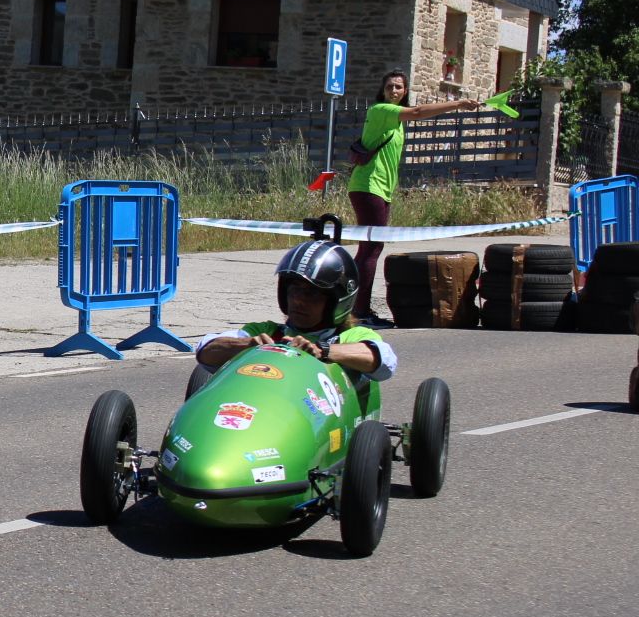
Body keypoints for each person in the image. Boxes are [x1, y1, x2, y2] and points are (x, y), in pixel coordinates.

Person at [345, 70, 477, 326]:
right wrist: (459, 104)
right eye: (390, 87)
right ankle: (359, 312)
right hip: (368, 186)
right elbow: (417, 113)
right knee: (371, 248)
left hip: (381, 188)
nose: (394, 91)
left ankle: (355, 308)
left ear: (405, 91)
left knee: (370, 247)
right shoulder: (381, 110)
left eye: (399, 88)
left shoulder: (397, 124)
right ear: (382, 91)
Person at [196, 236, 397, 402]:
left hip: (316, 422)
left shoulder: (352, 336)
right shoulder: (266, 331)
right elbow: (206, 351)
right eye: (294, 291)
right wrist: (247, 345)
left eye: (312, 294)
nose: (298, 301)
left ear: (336, 301)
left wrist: (323, 350)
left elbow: (384, 361)